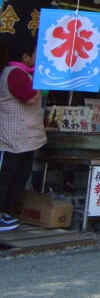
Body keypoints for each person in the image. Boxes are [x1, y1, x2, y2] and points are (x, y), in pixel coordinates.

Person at [1, 39, 46, 233]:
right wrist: (41, 80)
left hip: (25, 137)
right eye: (34, 54)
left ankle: (5, 211)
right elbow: (30, 98)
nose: (37, 57)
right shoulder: (16, 74)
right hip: (11, 137)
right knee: (6, 175)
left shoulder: (26, 74)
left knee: (21, 174)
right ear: (25, 57)